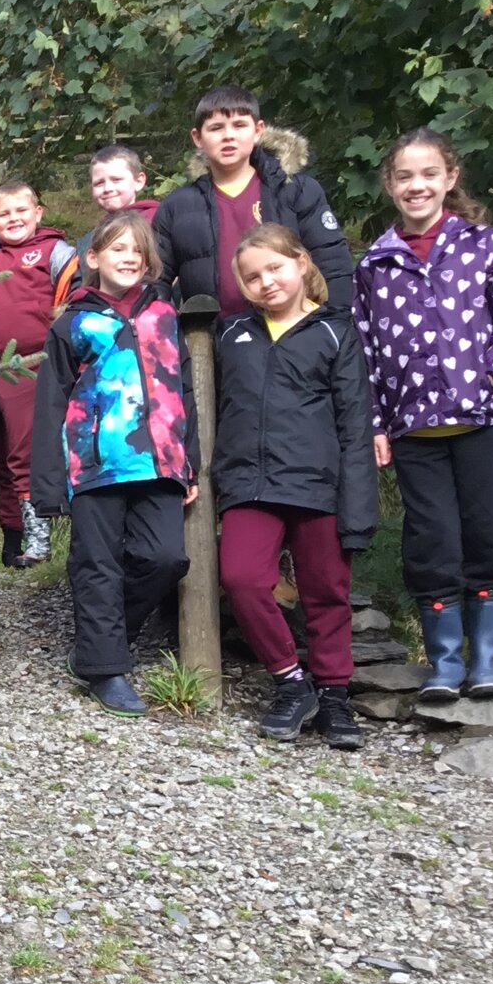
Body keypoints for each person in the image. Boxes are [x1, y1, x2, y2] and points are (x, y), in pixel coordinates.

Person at [355, 128, 493, 702]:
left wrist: (491, 378)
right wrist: (377, 425)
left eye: (429, 174)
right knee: (432, 541)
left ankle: (487, 663)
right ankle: (444, 663)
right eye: (405, 176)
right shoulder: (375, 266)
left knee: (492, 536)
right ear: (390, 184)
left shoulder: (486, 246)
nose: (417, 185)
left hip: (483, 421)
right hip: (416, 431)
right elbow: (365, 352)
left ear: (450, 179)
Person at [29, 210, 197, 718]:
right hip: (96, 463)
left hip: (160, 461)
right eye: (118, 249)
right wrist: (49, 483)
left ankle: (102, 642)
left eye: (138, 251)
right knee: (96, 565)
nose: (129, 258)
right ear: (94, 259)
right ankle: (105, 667)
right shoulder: (74, 322)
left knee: (166, 557)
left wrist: (192, 462)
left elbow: (183, 390)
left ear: (149, 263)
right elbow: (51, 403)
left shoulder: (165, 314)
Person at [217, 225, 376, 748]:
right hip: (251, 484)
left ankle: (334, 696)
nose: (266, 282)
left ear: (302, 263)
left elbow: (356, 426)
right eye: (252, 276)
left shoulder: (335, 331)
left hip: (319, 486)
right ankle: (291, 681)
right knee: (241, 578)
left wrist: (357, 509)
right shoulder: (231, 334)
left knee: (326, 594)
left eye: (275, 268)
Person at [0, 178, 79, 566]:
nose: (13, 219)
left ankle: (39, 539)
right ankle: (13, 539)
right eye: (3, 214)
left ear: (38, 213)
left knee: (26, 455)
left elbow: (71, 302)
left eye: (21, 211)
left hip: (34, 367)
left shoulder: (55, 252)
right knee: (1, 455)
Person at [153, 85, 353, 316]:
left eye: (239, 125)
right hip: (215, 341)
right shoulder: (178, 207)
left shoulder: (296, 191)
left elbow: (333, 265)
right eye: (216, 128)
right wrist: (162, 335)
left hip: (296, 335)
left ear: (258, 131)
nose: (228, 136)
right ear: (198, 138)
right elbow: (155, 280)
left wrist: (333, 326)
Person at [78, 146, 161, 265]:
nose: (107, 188)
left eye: (116, 180)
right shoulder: (91, 238)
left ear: (138, 181)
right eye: (99, 183)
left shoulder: (158, 224)